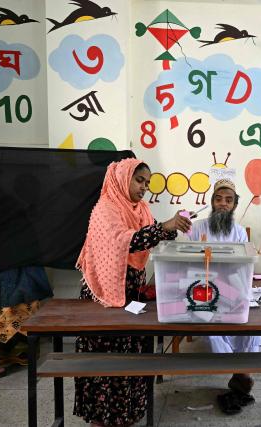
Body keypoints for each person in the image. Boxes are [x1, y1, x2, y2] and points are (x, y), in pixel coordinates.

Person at [73, 158, 191, 427]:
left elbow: (149, 235)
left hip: (134, 296)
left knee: (134, 356)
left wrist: (174, 227)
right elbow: (126, 240)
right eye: (139, 181)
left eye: (148, 183)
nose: (144, 188)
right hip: (105, 298)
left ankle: (126, 415)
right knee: (106, 361)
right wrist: (164, 227)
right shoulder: (105, 208)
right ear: (122, 177)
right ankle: (101, 418)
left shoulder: (140, 209)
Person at [189, 179, 260, 414]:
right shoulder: (197, 228)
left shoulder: (239, 231)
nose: (223, 204)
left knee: (247, 319)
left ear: (234, 205)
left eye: (228, 200)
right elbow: (187, 264)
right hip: (204, 289)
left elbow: (243, 267)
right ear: (211, 202)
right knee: (210, 317)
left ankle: (242, 371)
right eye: (218, 199)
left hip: (233, 288)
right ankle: (236, 369)